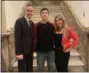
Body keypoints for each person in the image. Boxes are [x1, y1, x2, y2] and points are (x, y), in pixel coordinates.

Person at [14, 3, 34, 72]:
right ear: (25, 11)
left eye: (31, 11)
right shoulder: (19, 21)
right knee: (22, 69)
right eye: (28, 10)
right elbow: (17, 38)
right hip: (22, 52)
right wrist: (18, 53)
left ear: (33, 12)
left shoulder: (31, 22)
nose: (29, 12)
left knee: (30, 68)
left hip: (30, 51)